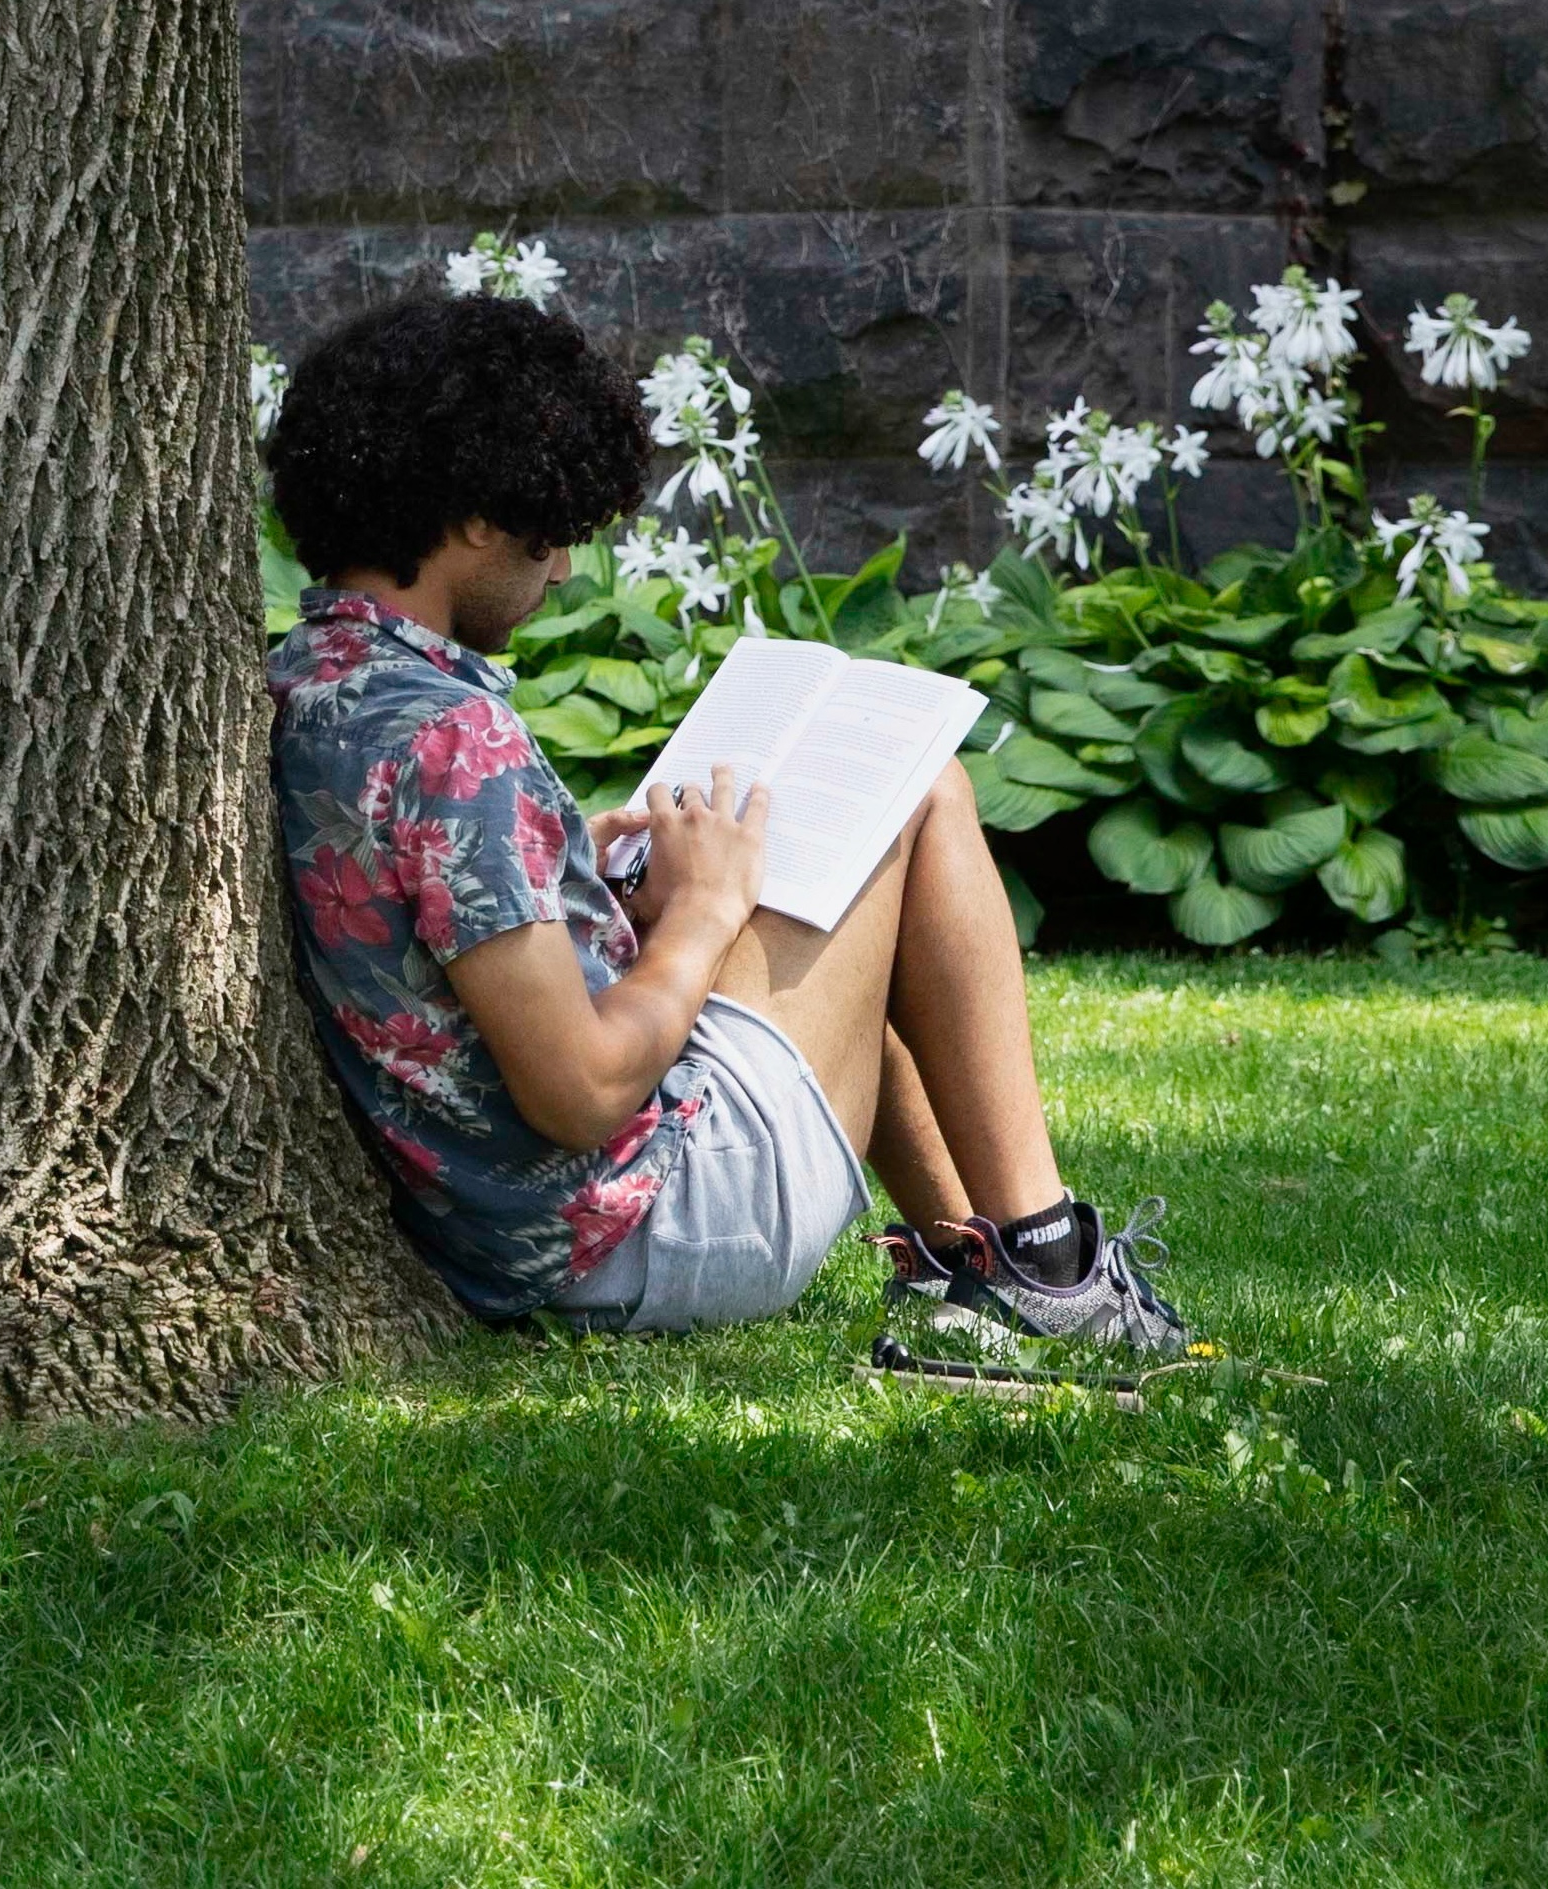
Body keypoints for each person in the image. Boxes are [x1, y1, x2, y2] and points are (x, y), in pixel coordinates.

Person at [255, 294, 1192, 1356]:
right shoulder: (453, 738)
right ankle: (1051, 1261)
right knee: (919, 788)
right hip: (636, 1226)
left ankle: (962, 1262)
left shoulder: (304, 684)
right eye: (551, 530)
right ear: (476, 516)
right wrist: (700, 914)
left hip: (494, 1226)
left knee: (831, 880)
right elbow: (581, 1090)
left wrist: (573, 869)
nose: (561, 568)